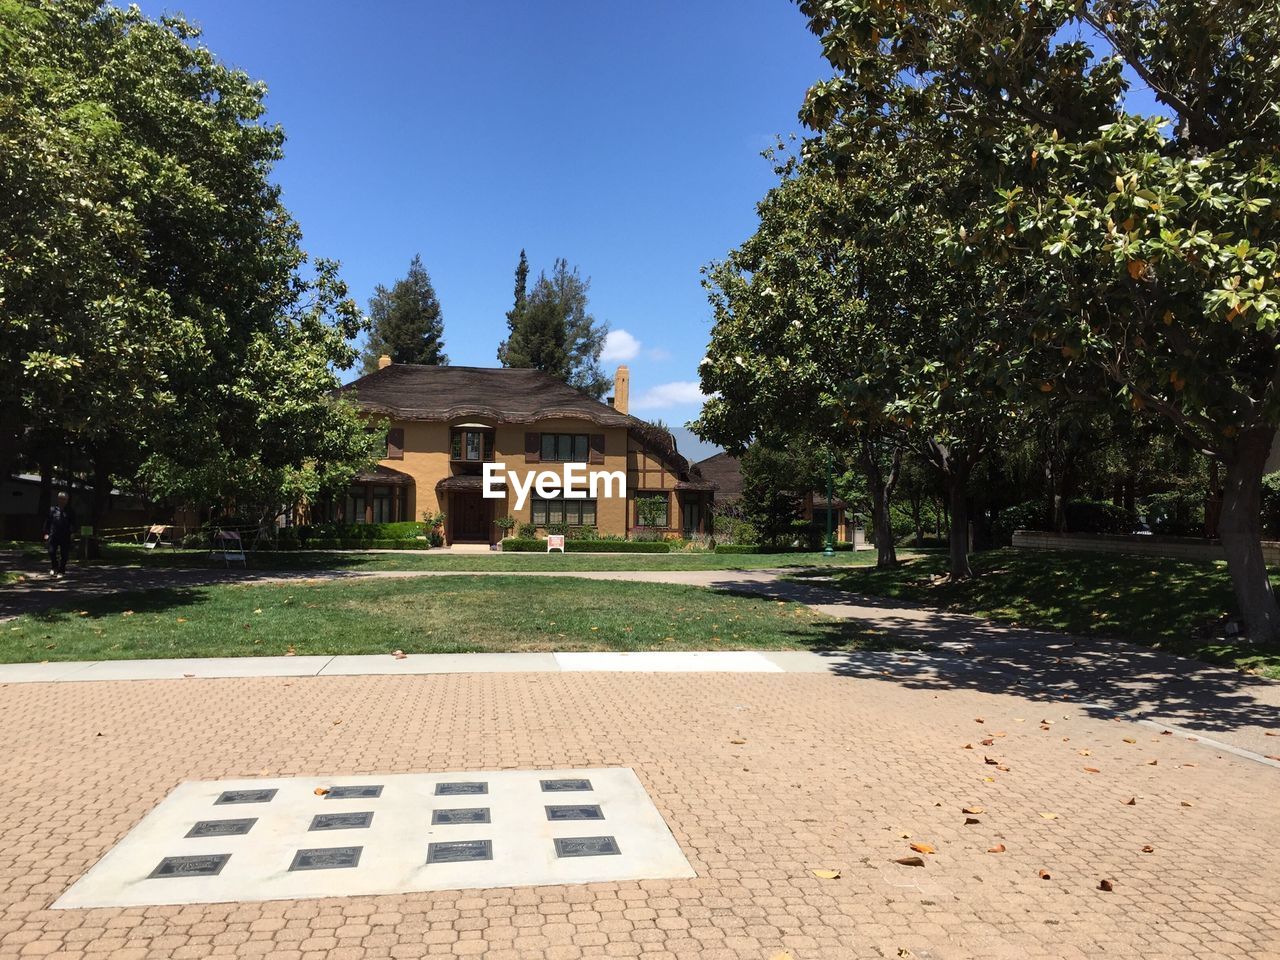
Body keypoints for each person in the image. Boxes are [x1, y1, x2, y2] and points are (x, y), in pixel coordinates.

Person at [43, 491, 76, 577]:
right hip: (53, 534)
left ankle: (61, 571)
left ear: (67, 500)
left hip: (65, 535)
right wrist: (46, 533)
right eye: (60, 499)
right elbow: (47, 522)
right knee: (51, 552)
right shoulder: (52, 509)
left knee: (64, 554)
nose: (62, 501)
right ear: (58, 499)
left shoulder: (70, 511)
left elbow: (73, 523)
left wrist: (72, 533)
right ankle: (54, 567)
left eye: (64, 499)